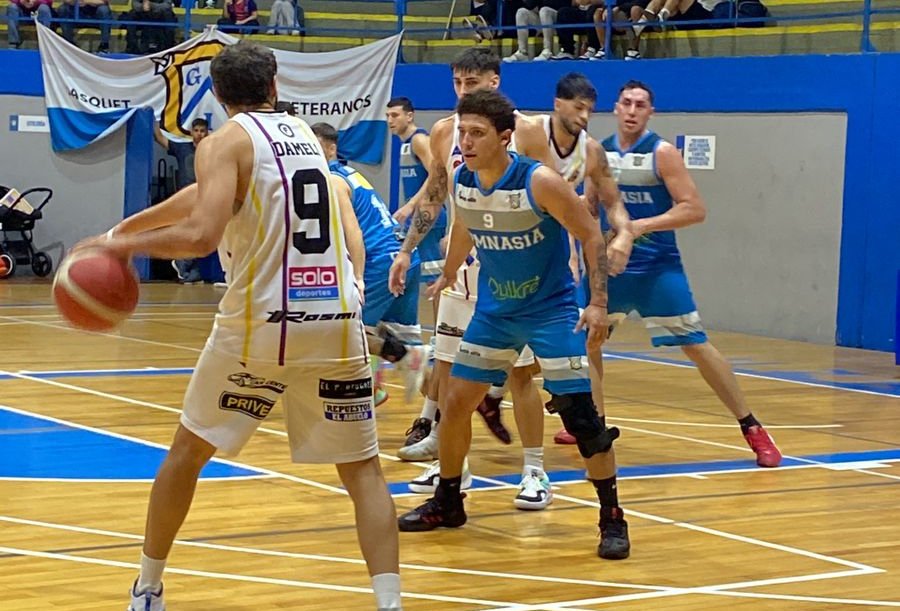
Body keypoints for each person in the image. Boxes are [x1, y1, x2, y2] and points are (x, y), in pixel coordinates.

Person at [77, 41, 402, 611]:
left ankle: (147, 588)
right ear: (274, 87)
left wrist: (123, 246)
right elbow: (208, 196)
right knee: (364, 473)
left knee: (185, 454)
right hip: (337, 321)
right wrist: (125, 227)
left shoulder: (223, 141)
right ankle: (390, 603)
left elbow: (203, 232)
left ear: (219, 96)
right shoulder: (304, 138)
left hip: (263, 326)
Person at [396, 90, 630, 561]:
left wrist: (599, 303)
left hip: (550, 311)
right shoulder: (462, 177)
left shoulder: (538, 181)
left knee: (583, 420)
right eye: (462, 132)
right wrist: (448, 270)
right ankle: (448, 501)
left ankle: (612, 517)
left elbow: (588, 233)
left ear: (506, 138)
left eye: (477, 133)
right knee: (455, 402)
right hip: (494, 313)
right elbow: (465, 224)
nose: (465, 141)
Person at [389, 48, 557, 509]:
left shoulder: (527, 132)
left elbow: (556, 200)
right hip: (460, 272)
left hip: (512, 273)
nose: (465, 92)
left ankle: (535, 471)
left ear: (496, 82)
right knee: (446, 373)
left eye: (474, 83)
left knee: (520, 376)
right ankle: (453, 468)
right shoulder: (445, 132)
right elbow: (436, 196)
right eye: (459, 83)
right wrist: (406, 250)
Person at [596, 80, 782, 467]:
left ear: (651, 112)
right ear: (615, 108)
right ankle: (591, 424)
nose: (632, 110)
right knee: (585, 341)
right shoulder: (599, 154)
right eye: (626, 103)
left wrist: (639, 226)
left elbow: (694, 209)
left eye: (640, 105)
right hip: (611, 268)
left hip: (656, 269)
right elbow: (587, 205)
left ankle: (751, 426)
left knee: (697, 346)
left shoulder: (662, 153)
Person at [312, 121, 427, 407]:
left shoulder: (333, 180)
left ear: (331, 148)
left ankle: (378, 383)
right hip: (403, 256)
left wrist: (359, 277)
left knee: (351, 329)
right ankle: (433, 413)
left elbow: (355, 233)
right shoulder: (351, 173)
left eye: (316, 145)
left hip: (380, 262)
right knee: (401, 338)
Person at [386, 96, 447, 444]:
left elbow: (436, 179)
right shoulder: (403, 146)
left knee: (441, 306)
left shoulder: (421, 139)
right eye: (388, 116)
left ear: (410, 115)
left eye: (396, 114)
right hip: (422, 231)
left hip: (435, 228)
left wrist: (411, 205)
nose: (391, 120)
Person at [153, 116, 209, 283]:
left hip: (206, 197)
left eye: (202, 131)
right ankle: (182, 266)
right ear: (191, 132)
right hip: (186, 199)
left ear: (207, 133)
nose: (199, 134)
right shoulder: (182, 148)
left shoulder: (213, 150)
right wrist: (154, 119)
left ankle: (187, 269)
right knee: (189, 233)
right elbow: (160, 138)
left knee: (201, 234)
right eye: (196, 130)